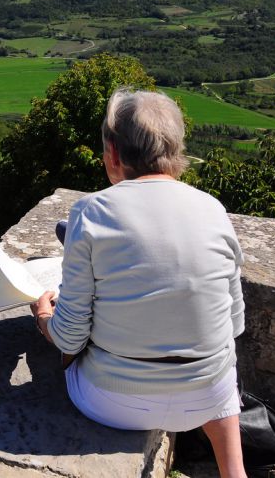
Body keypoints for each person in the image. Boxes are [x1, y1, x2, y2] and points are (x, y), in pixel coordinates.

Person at [30, 88, 246, 478]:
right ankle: (235, 470)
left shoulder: (91, 211)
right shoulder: (213, 209)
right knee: (219, 378)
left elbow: (70, 338)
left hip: (112, 401)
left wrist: (45, 315)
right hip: (207, 398)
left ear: (113, 153)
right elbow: (233, 325)